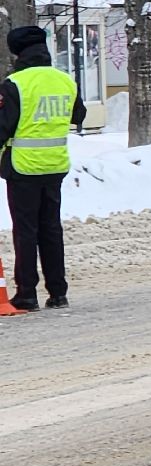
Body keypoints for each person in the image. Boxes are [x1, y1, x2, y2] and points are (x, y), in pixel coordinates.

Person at [1, 26, 85, 311]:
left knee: (26, 231)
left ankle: (27, 293)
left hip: (23, 167)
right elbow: (79, 115)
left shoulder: (14, 84)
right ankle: (58, 292)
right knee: (51, 228)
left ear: (17, 52)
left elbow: (2, 128)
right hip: (55, 164)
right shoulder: (65, 81)